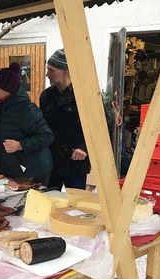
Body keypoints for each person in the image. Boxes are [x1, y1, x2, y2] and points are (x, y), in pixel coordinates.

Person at [39, 49, 91, 190]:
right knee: (49, 201)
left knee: (75, 205)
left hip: (76, 161)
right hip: (51, 161)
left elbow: (100, 129)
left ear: (66, 71)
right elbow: (42, 127)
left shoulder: (85, 96)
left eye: (51, 70)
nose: (47, 74)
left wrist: (84, 148)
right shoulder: (46, 96)